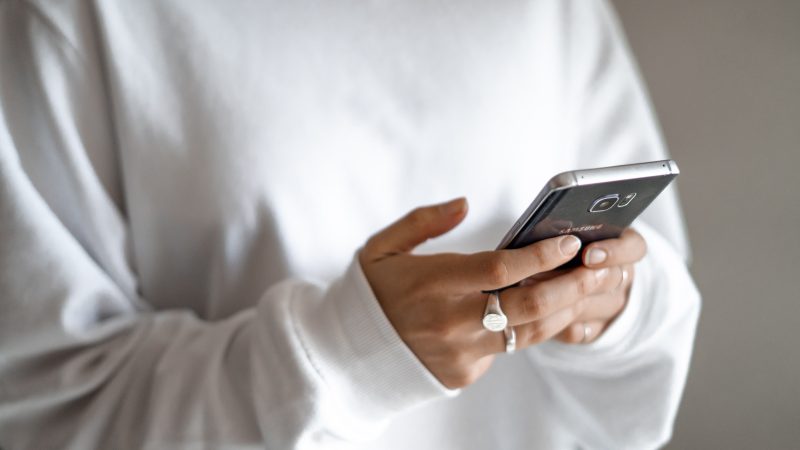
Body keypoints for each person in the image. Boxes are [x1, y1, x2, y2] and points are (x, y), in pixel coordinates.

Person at [0, 0, 700, 448]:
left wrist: (610, 310)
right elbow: (37, 409)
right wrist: (347, 353)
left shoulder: (552, 13)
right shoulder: (68, 18)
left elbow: (656, 333)